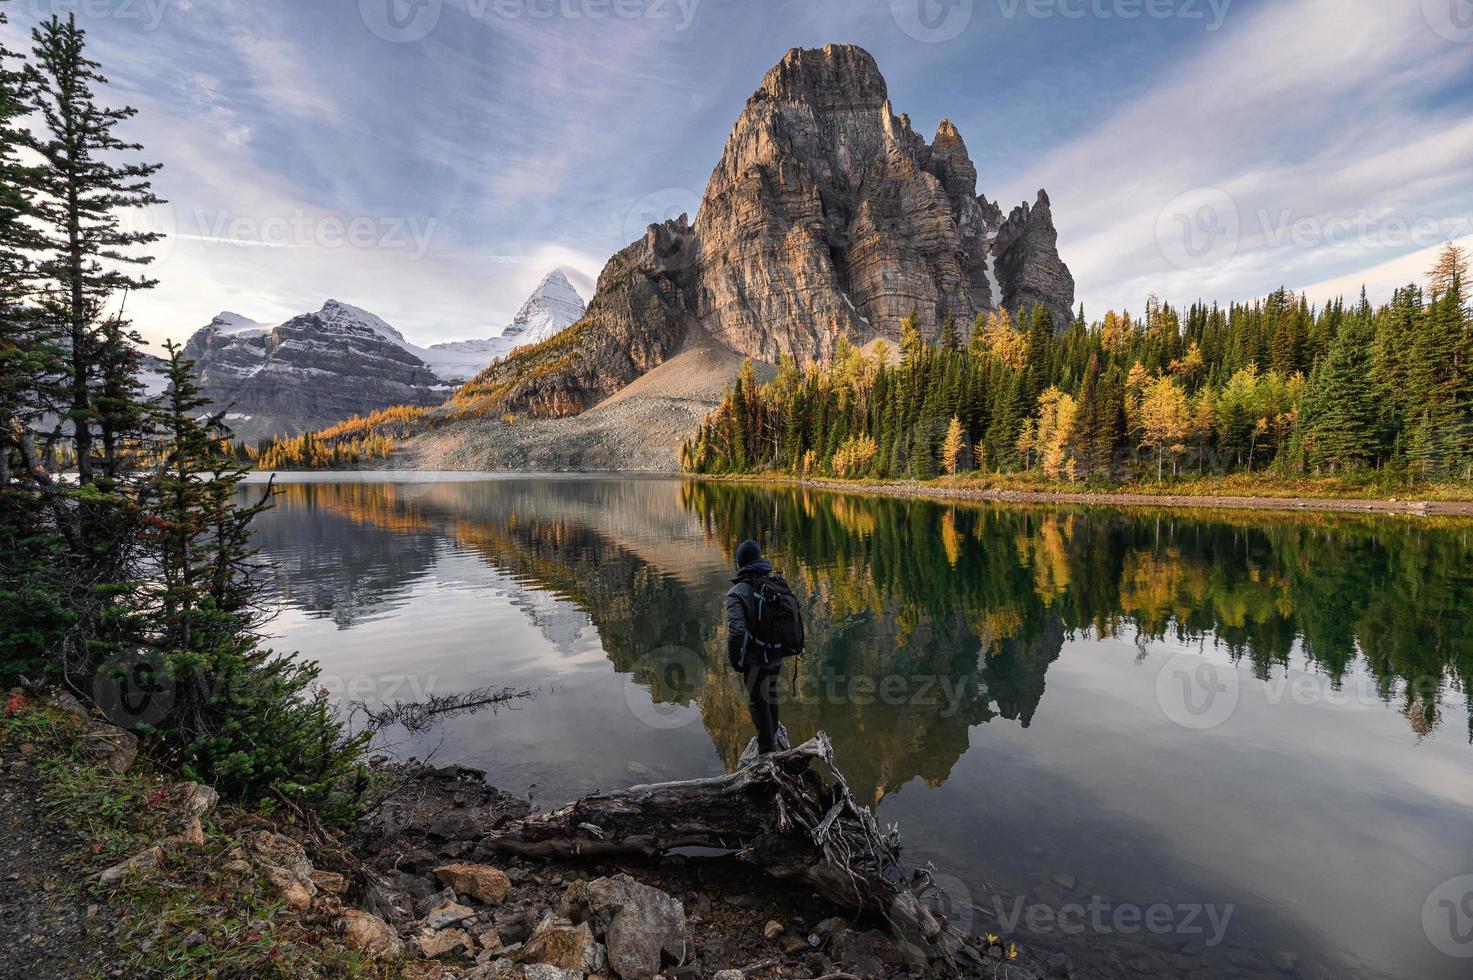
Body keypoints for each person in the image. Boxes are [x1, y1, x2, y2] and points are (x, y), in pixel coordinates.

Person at [726, 539, 788, 755]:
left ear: (740, 563)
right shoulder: (771, 584)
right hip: (777, 654)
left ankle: (766, 755)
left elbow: (736, 632)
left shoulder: (737, 592)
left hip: (755, 660)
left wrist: (736, 660)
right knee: (771, 695)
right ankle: (773, 738)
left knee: (758, 704)